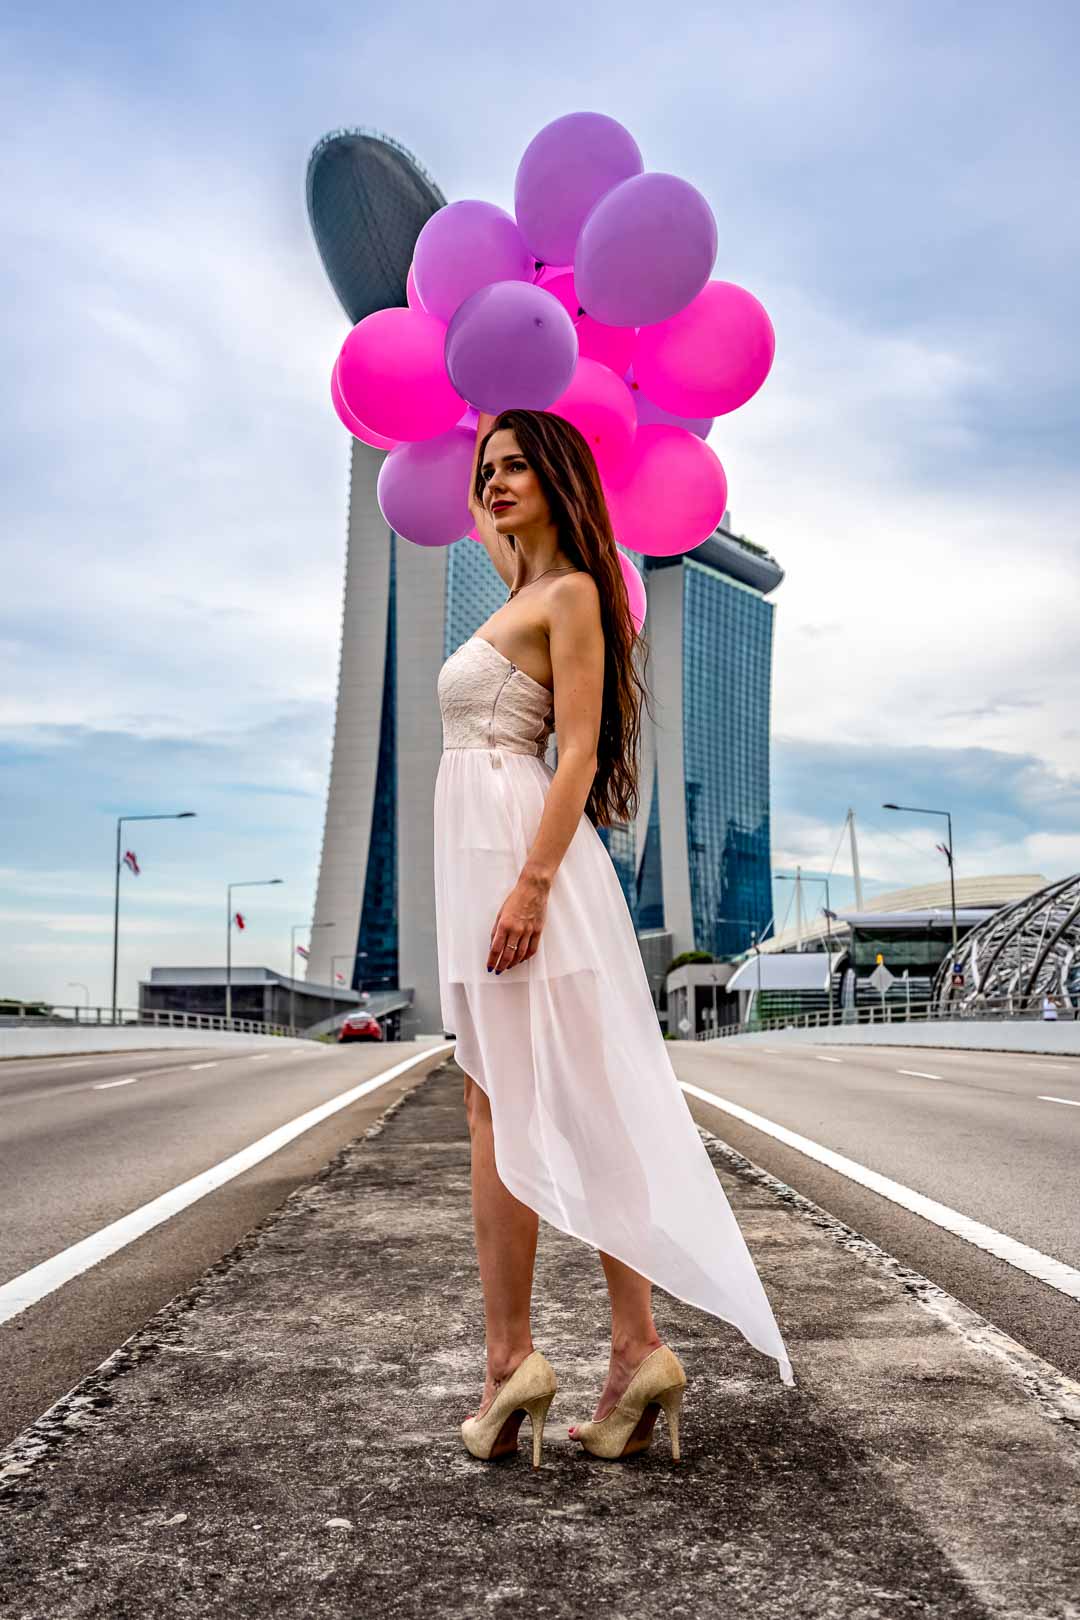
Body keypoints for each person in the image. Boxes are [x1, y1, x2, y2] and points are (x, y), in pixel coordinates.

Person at [434, 408, 793, 1468]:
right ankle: (604, 1352)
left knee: (554, 1097)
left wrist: (532, 885)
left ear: (558, 479)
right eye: (486, 469)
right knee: (499, 1095)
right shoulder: (516, 586)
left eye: (515, 468)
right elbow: (472, 500)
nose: (494, 483)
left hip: (524, 860)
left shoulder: (574, 598)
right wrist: (483, 422)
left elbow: (582, 754)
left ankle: (534, 1363)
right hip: (483, 858)